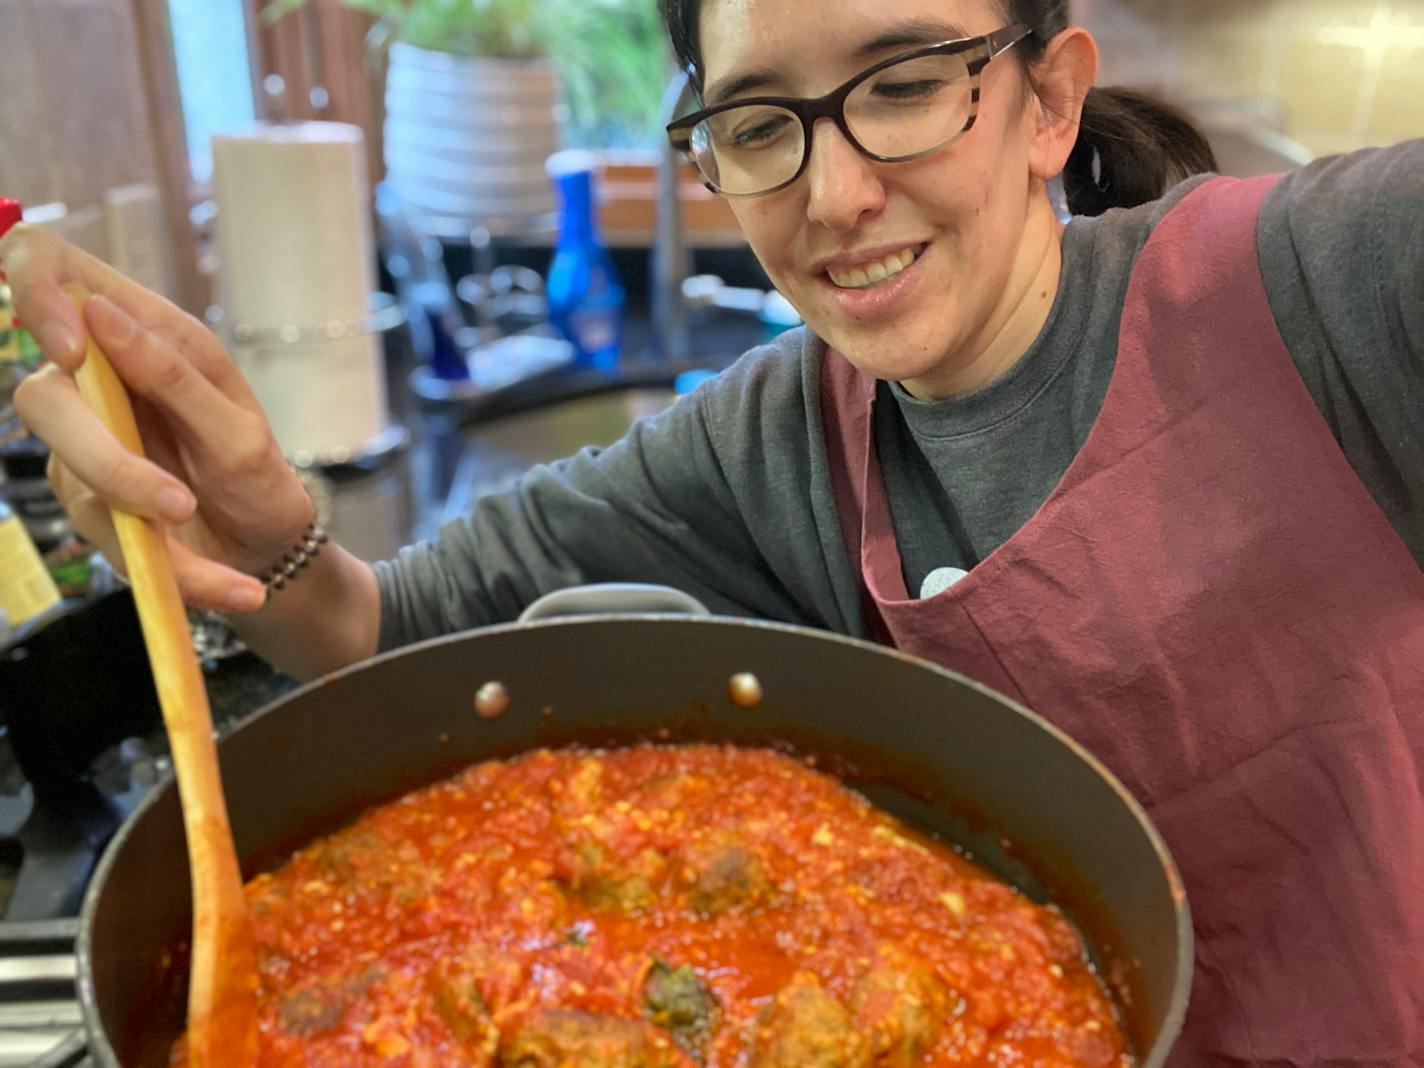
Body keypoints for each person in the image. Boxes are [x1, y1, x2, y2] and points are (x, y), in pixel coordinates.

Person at [4, 0, 1422, 1061]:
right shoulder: (775, 436)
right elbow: (390, 633)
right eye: (759, 126)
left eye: (909, 86)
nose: (836, 191)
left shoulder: (1330, 276)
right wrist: (259, 519)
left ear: (1049, 99)